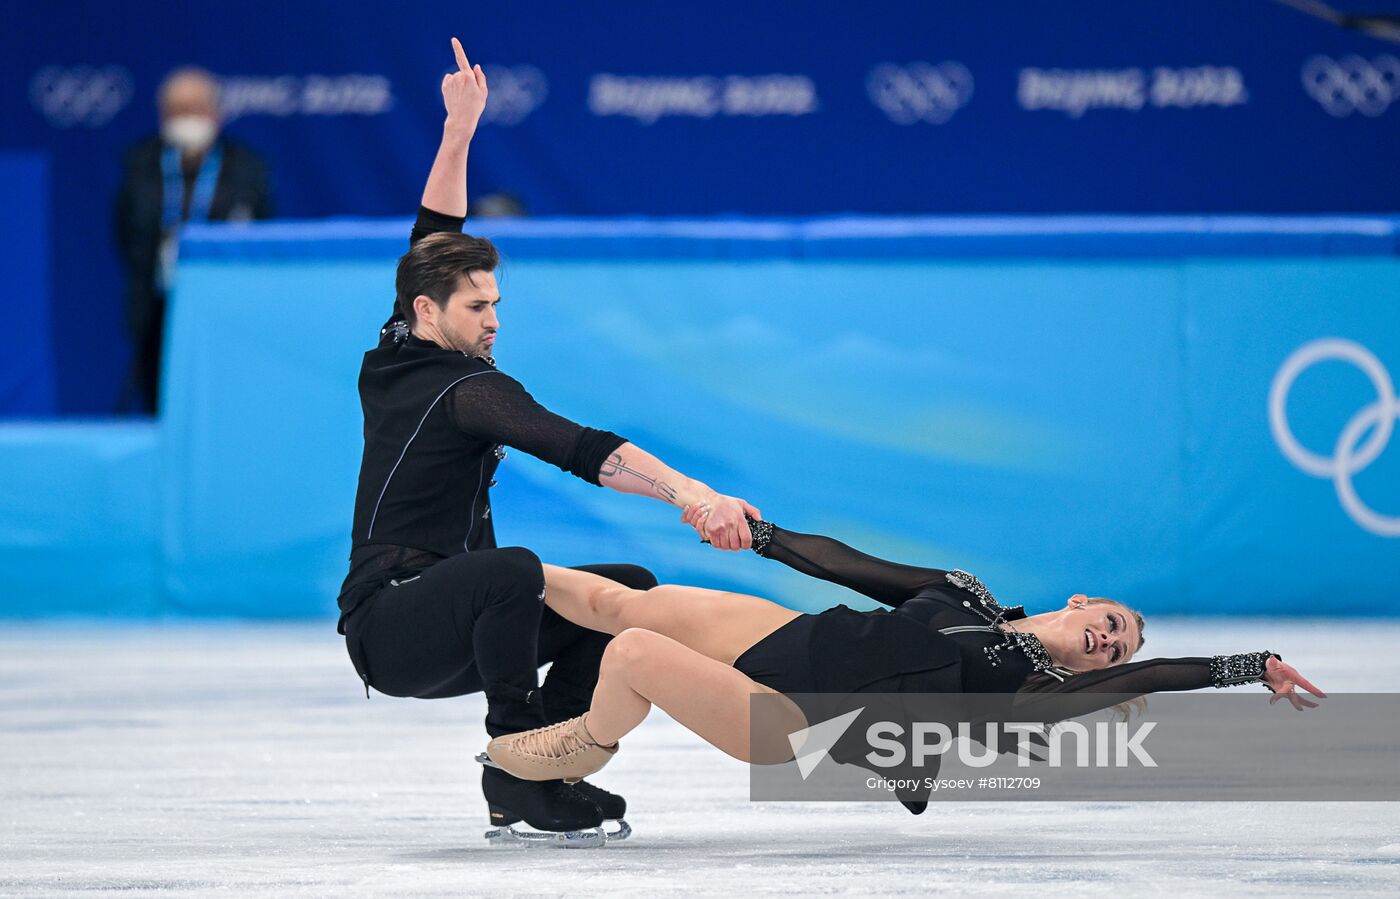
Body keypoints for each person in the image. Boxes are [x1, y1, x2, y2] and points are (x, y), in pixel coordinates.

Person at [336, 39, 760, 849]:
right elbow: (586, 448)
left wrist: (459, 129)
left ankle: (540, 775)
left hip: (457, 619)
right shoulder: (465, 388)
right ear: (430, 315)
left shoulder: (406, 343)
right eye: (475, 308)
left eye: (496, 301)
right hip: (392, 627)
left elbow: (434, 234)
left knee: (628, 591)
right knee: (513, 570)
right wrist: (692, 495)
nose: (493, 319)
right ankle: (518, 756)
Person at [485, 517, 1325, 811]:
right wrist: (767, 535)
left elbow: (1145, 681)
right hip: (787, 636)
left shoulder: (1028, 691)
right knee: (629, 603)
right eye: (1112, 622)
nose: (1112, 640)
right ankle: (477, 571)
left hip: (802, 723)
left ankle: (584, 743)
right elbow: (855, 567)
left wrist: (1250, 663)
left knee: (633, 652)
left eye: (1119, 644)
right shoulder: (963, 589)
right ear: (1080, 601)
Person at [115, 66, 276, 414]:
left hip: (224, 306)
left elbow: (260, 235)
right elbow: (125, 230)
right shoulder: (140, 163)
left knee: (219, 404)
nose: (186, 118)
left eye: (194, 109)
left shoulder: (247, 167)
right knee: (160, 400)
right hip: (157, 304)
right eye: (177, 111)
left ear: (215, 113)